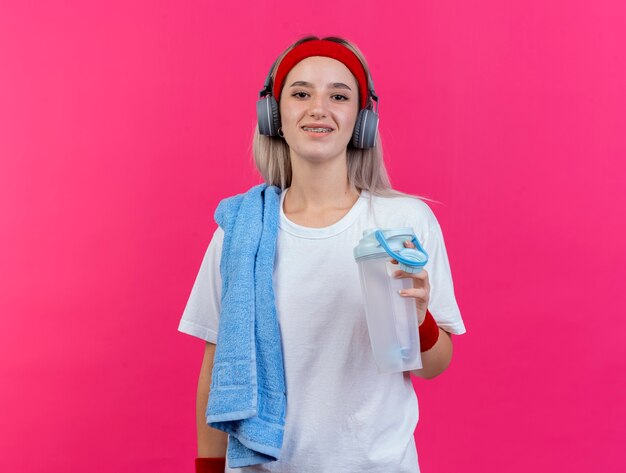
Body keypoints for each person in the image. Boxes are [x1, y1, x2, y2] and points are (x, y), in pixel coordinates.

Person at [178, 35, 467, 473]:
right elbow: (217, 369)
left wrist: (420, 317)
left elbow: (433, 368)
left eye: (338, 95)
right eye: (300, 93)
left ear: (362, 119)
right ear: (273, 116)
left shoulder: (403, 223)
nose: (319, 108)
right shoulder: (238, 232)